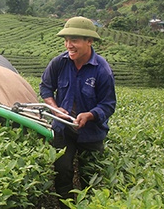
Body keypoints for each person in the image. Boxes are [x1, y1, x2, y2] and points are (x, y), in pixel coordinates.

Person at [39, 16, 116, 207]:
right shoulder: (59, 63)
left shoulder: (102, 70)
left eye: (74, 40)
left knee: (91, 177)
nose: (68, 45)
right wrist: (55, 109)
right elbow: (46, 88)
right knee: (62, 171)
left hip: (91, 134)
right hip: (63, 129)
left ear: (89, 41)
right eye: (66, 40)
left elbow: (108, 105)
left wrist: (89, 115)